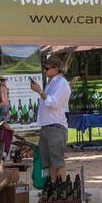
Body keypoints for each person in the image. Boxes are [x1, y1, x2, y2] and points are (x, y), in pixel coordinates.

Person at [30, 55, 70, 183]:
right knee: (49, 164)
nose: (44, 70)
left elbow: (53, 103)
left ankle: (62, 189)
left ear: (56, 69)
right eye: (44, 67)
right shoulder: (51, 83)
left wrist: (40, 92)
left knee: (58, 162)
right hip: (47, 126)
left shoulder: (62, 83)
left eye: (47, 68)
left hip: (55, 126)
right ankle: (54, 189)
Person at [0, 75, 13, 161]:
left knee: (2, 139)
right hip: (1, 118)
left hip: (0, 118)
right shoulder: (0, 86)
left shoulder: (0, 86)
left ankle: (3, 156)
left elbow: (5, 103)